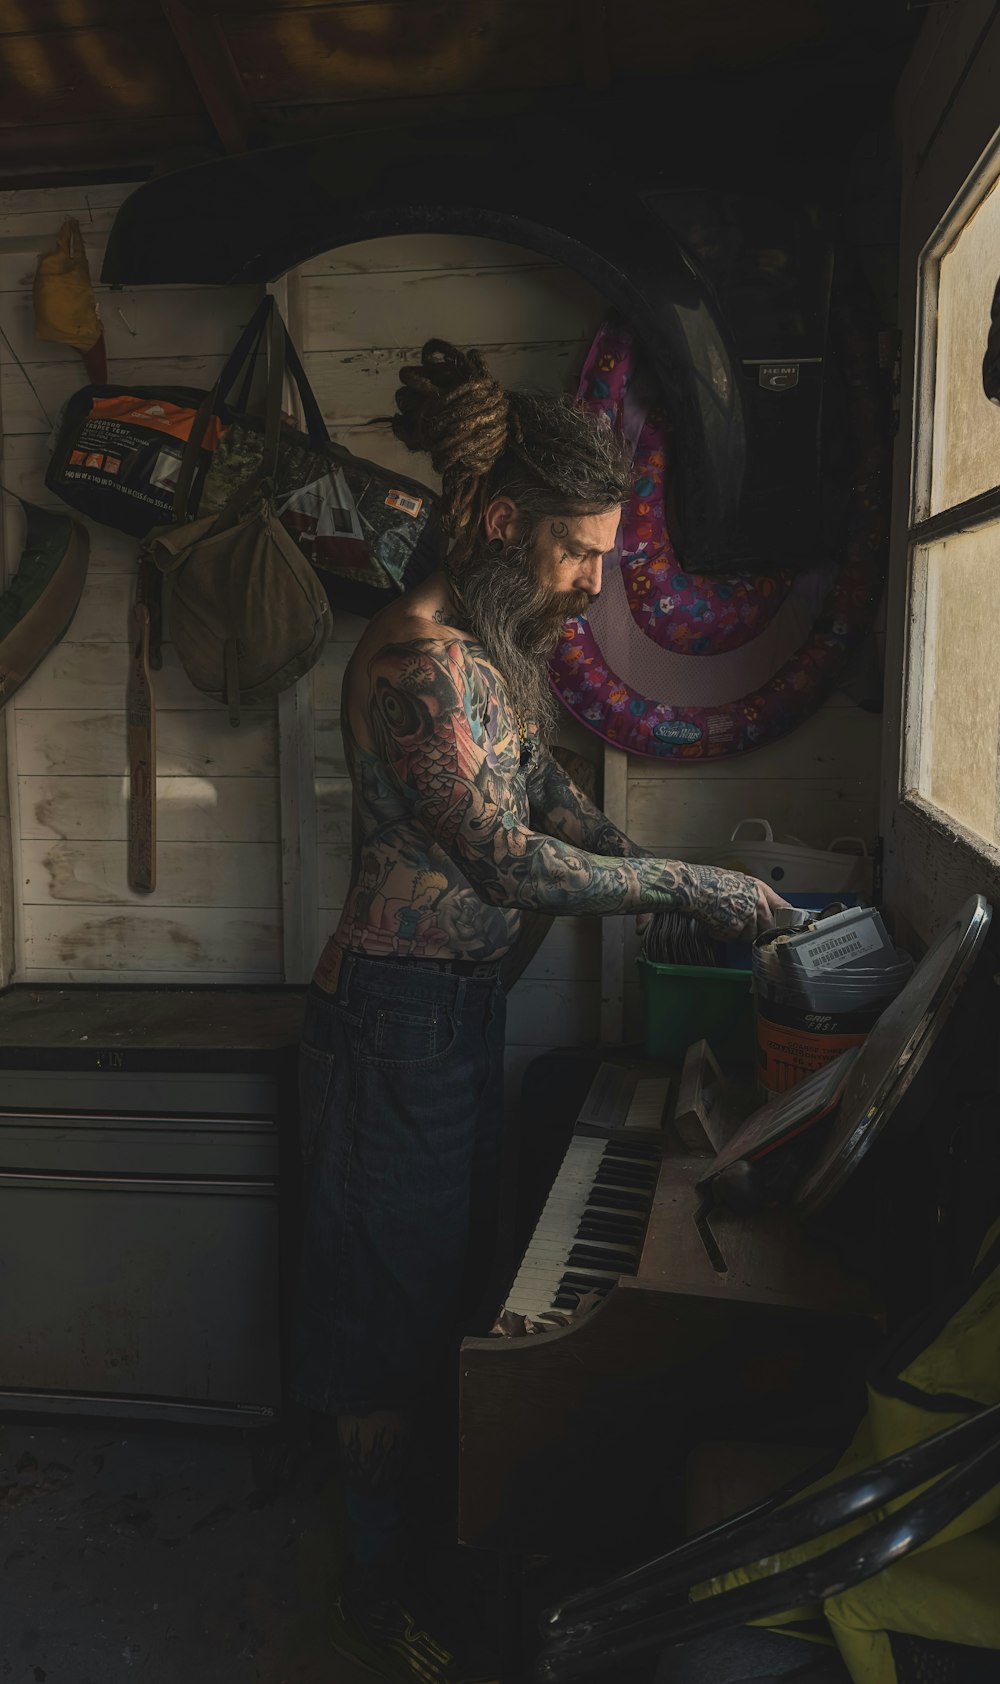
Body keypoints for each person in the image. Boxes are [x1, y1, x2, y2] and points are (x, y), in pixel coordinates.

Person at [294, 340, 788, 1683]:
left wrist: (714, 885)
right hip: (391, 1025)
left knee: (451, 1301)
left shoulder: (494, 657)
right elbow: (510, 862)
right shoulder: (420, 665)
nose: (593, 579)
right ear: (505, 523)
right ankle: (373, 1597)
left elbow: (553, 811)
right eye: (580, 553)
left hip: (449, 1020)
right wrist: (700, 884)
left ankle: (435, 1568)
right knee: (384, 1332)